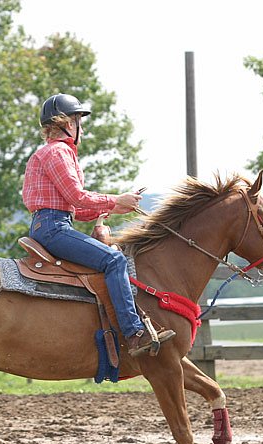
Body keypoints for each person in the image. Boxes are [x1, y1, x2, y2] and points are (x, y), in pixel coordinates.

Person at [22, 93, 175, 357]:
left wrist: (113, 207)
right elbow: (77, 197)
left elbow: (75, 208)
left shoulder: (47, 153)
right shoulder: (59, 152)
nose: (82, 126)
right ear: (68, 123)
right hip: (53, 228)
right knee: (114, 261)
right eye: (79, 119)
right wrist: (116, 199)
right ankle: (134, 333)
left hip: (48, 223)